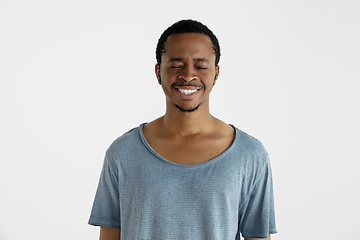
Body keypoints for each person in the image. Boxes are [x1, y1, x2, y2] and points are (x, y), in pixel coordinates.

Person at [88, 19, 277, 240]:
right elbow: (110, 235)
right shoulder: (122, 153)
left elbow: (258, 236)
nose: (188, 75)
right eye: (176, 65)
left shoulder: (250, 155)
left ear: (216, 73)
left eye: (201, 65)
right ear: (158, 72)